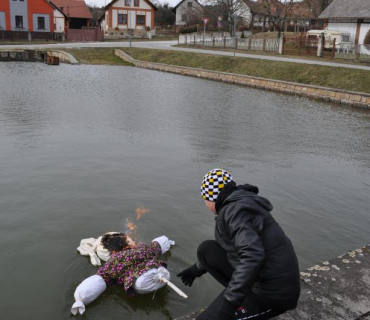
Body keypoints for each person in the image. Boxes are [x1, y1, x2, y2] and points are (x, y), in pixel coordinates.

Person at [177, 169, 300, 320]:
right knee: (207, 249)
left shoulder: (236, 211)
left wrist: (229, 304)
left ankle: (245, 303)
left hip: (272, 294)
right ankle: (241, 297)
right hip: (261, 279)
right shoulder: (237, 205)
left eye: (205, 198)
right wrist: (195, 270)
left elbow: (252, 256)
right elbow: (231, 249)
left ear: (211, 198)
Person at [71, 235, 173, 315]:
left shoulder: (114, 261)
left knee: (134, 280)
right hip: (115, 274)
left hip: (109, 274)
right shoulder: (144, 250)